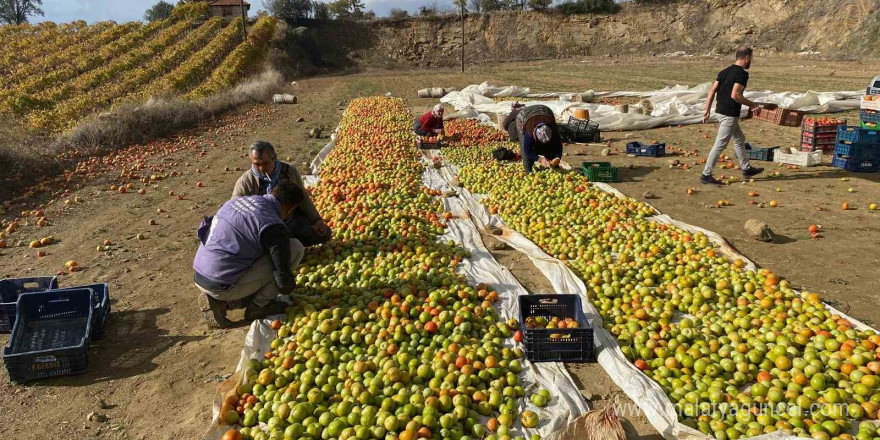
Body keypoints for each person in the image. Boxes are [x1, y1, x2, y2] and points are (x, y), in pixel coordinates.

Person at [194, 182, 307, 328]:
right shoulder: (272, 225)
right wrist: (292, 290)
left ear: (272, 192)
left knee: (258, 251)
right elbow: (283, 281)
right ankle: (257, 307)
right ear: (292, 208)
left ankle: (219, 302)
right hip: (221, 284)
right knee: (295, 248)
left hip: (201, 275)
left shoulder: (236, 201)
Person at [233, 141, 331, 247]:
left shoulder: (289, 171)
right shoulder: (245, 182)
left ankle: (290, 242)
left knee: (324, 233)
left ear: (274, 158)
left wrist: (316, 220)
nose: (261, 168)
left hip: (291, 221)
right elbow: (234, 212)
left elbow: (303, 198)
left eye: (265, 163)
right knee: (279, 246)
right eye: (257, 164)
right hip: (264, 229)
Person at [700, 46, 764, 184]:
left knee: (739, 138)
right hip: (728, 114)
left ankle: (747, 169)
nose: (751, 61)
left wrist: (707, 109)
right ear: (747, 58)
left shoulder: (724, 72)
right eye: (751, 58)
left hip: (720, 112)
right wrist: (752, 105)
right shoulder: (742, 74)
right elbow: (735, 95)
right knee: (720, 144)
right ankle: (706, 174)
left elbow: (712, 91)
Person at [515, 104, 563, 174]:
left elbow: (558, 145)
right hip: (524, 116)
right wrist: (540, 159)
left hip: (546, 111)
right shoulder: (529, 133)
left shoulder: (553, 129)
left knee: (550, 148)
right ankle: (528, 171)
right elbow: (527, 151)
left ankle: (553, 169)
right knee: (525, 151)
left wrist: (557, 157)